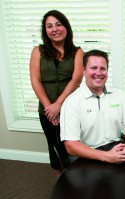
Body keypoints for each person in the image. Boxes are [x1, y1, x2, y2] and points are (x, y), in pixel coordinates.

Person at [60, 49, 125, 164]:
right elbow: (71, 146)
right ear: (84, 70)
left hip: (116, 149)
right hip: (87, 154)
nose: (99, 73)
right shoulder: (71, 102)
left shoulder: (120, 95)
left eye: (102, 68)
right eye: (93, 68)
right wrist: (106, 156)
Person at [30, 10, 84, 174]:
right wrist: (50, 109)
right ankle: (62, 185)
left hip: (72, 109)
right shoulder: (37, 51)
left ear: (66, 27)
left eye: (58, 24)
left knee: (75, 146)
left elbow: (76, 80)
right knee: (55, 147)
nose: (55, 29)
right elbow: (35, 80)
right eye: (49, 26)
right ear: (45, 30)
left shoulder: (78, 52)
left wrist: (59, 105)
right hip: (47, 111)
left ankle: (80, 181)